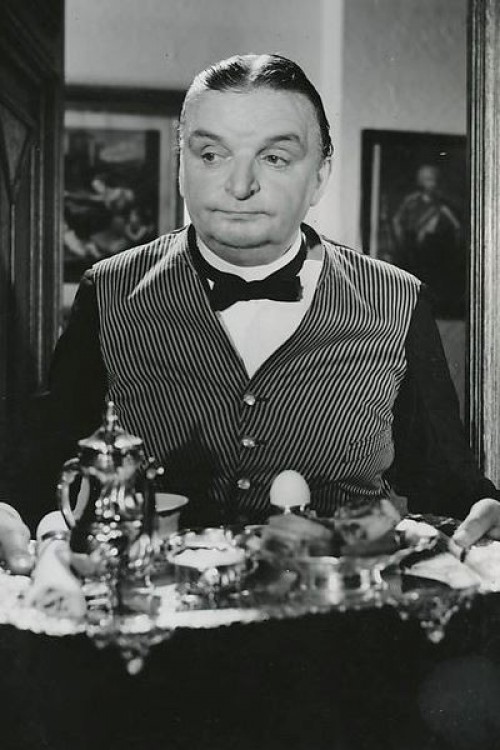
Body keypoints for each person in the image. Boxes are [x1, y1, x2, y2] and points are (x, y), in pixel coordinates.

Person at [1, 53, 498, 563]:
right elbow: (44, 473)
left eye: (275, 158)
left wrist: (485, 511)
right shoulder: (108, 290)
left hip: (337, 607)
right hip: (159, 603)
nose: (239, 186)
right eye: (211, 155)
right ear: (180, 168)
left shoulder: (399, 300)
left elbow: (448, 485)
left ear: (320, 176)